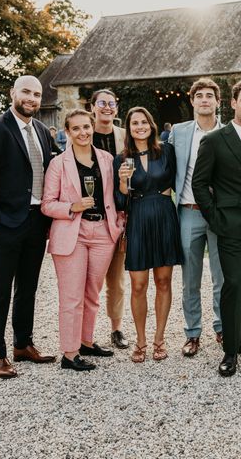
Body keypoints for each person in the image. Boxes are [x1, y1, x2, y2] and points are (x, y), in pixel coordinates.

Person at [193, 79, 241, 377]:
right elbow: (199, 184)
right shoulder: (214, 140)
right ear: (234, 104)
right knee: (234, 285)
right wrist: (216, 219)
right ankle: (228, 353)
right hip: (230, 227)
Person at [0, 75, 56, 379]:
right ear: (12, 93)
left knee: (28, 287)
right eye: (26, 91)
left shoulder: (41, 130)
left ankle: (22, 344)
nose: (32, 98)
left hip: (37, 221)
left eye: (37, 94)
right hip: (4, 223)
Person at [41, 110, 123, 371]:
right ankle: (69, 353)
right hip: (72, 233)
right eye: (75, 128)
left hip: (102, 233)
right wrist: (72, 206)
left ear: (92, 128)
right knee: (71, 296)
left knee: (92, 293)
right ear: (67, 132)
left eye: (86, 127)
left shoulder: (107, 159)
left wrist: (118, 223)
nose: (83, 132)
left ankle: (86, 341)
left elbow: (115, 197)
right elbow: (47, 204)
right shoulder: (58, 164)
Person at [114, 107, 182, 363]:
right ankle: (140, 340)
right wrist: (122, 183)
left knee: (164, 282)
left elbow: (179, 182)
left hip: (164, 216)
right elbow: (120, 200)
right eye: (134, 123)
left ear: (151, 125)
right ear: (129, 129)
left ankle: (159, 340)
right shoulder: (120, 159)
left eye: (144, 122)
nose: (140, 126)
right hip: (139, 219)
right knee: (138, 284)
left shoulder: (166, 151)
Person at [169, 78, 224, 357]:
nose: (204, 100)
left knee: (221, 276)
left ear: (218, 102)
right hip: (189, 211)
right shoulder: (178, 132)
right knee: (190, 278)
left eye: (209, 96)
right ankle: (192, 333)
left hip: (219, 214)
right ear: (192, 101)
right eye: (199, 96)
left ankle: (222, 327)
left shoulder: (229, 132)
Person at [90, 89, 129, 349]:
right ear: (92, 107)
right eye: (101, 103)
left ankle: (116, 329)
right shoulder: (81, 133)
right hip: (90, 216)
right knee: (89, 279)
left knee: (116, 279)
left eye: (111, 104)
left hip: (120, 215)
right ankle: (85, 331)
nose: (106, 107)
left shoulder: (125, 137)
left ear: (116, 109)